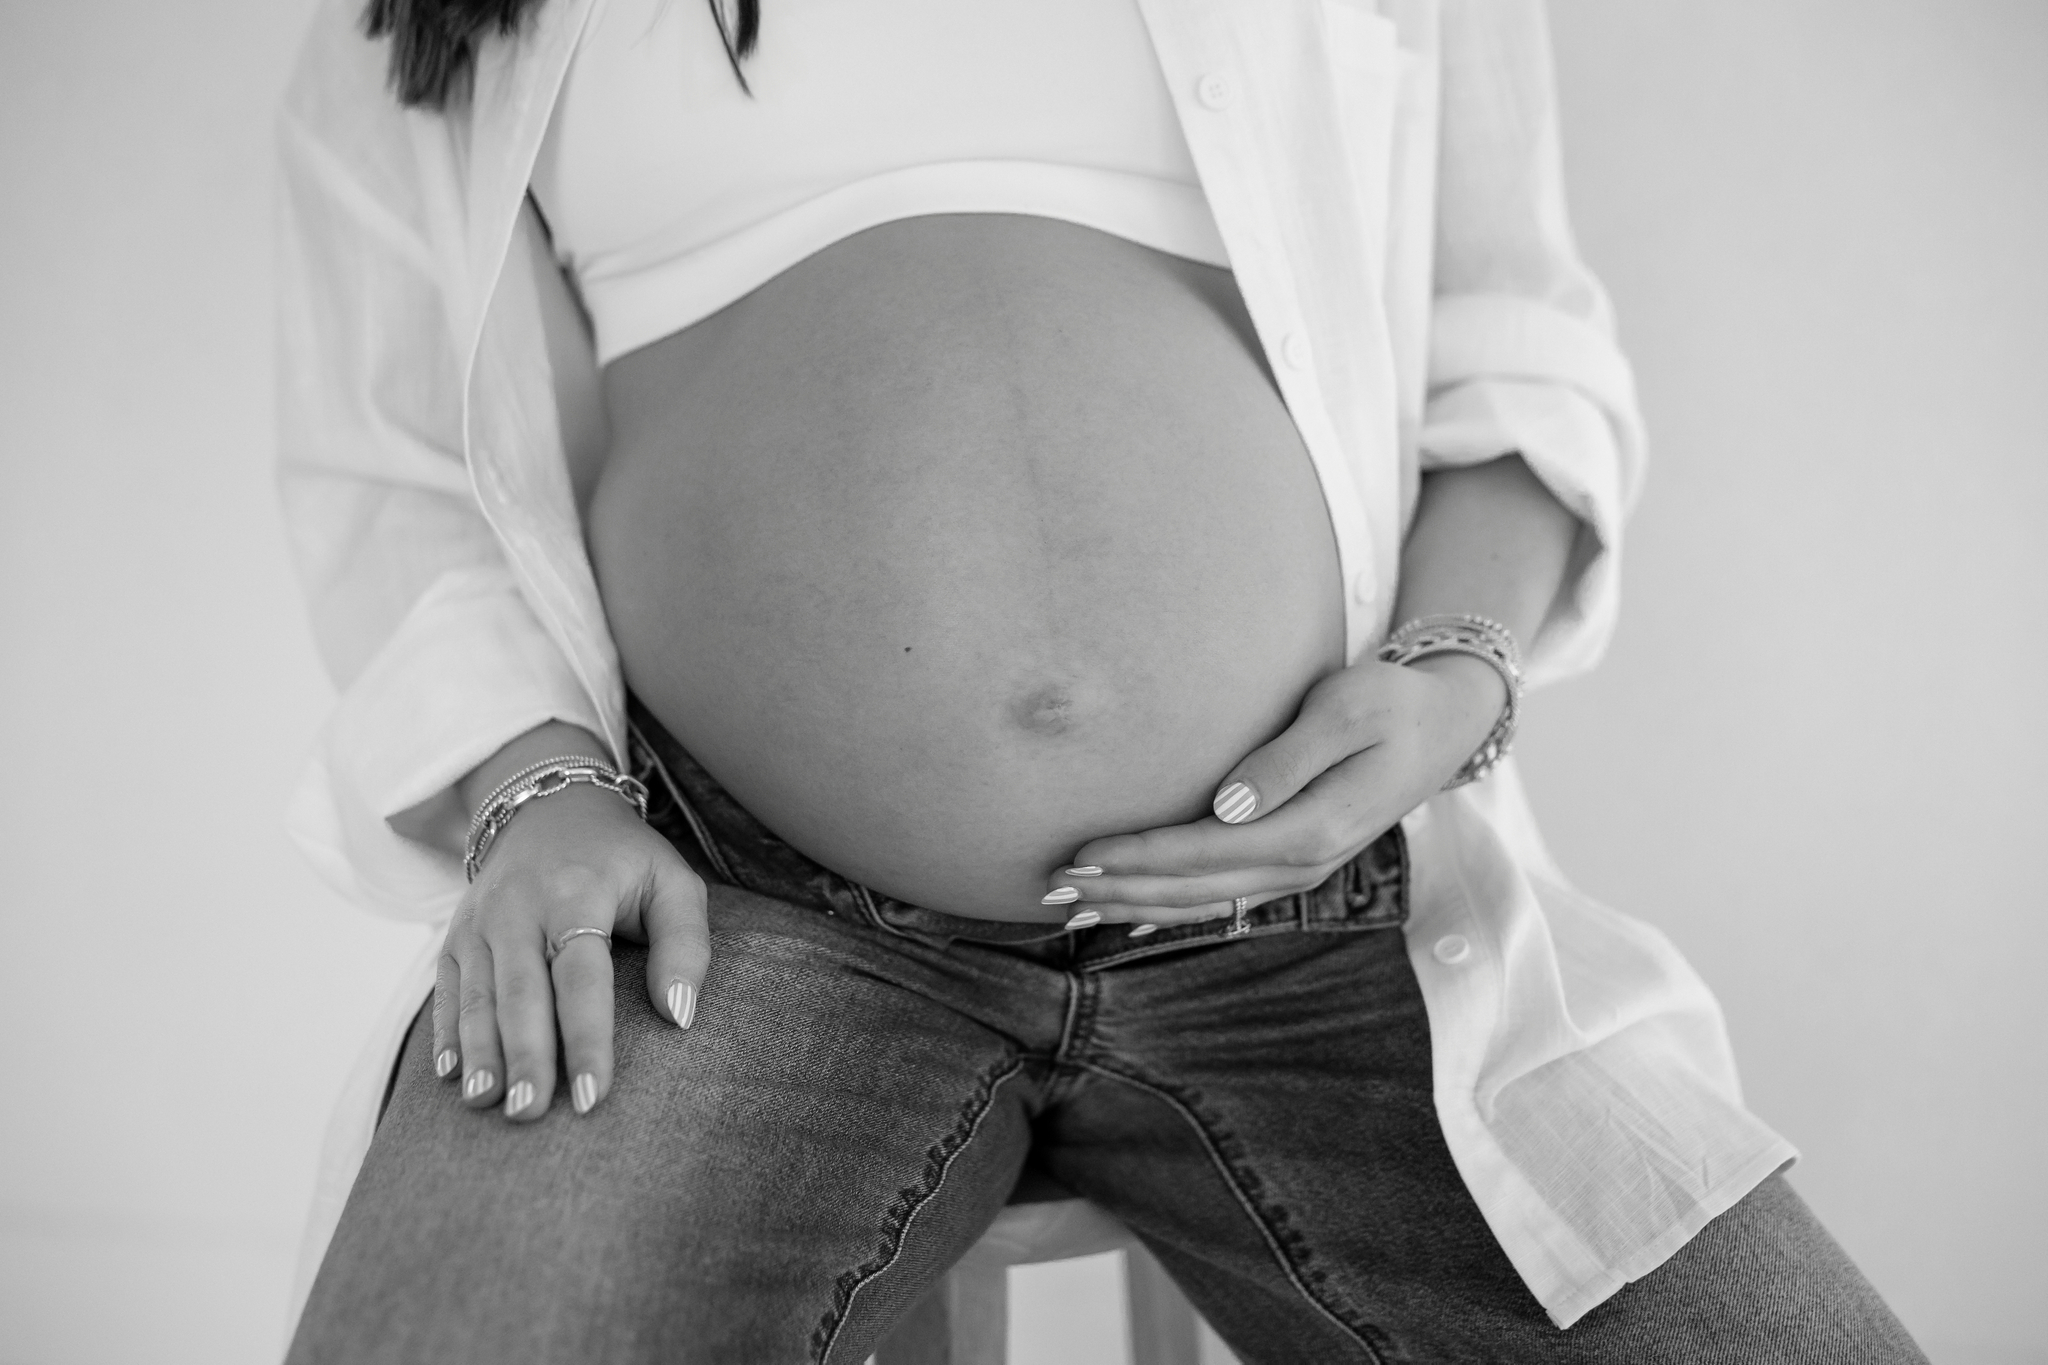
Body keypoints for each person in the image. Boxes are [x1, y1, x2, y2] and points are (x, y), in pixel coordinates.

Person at [275, 0, 1927, 1360]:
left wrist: (1452, 675)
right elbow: (397, 462)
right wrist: (534, 786)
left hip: (1324, 925)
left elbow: (1513, 336)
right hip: (731, 913)